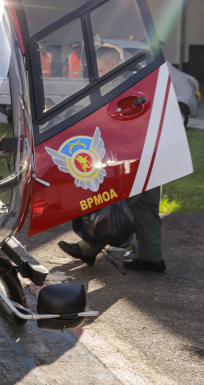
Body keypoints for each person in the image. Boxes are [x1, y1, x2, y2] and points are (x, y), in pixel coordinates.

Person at [59, 44, 166, 272]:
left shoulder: (128, 87)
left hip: (138, 156)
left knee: (115, 204)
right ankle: (150, 257)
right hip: (151, 153)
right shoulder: (136, 83)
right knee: (144, 206)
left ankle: (88, 248)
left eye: (98, 69)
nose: (96, 75)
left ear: (113, 65)